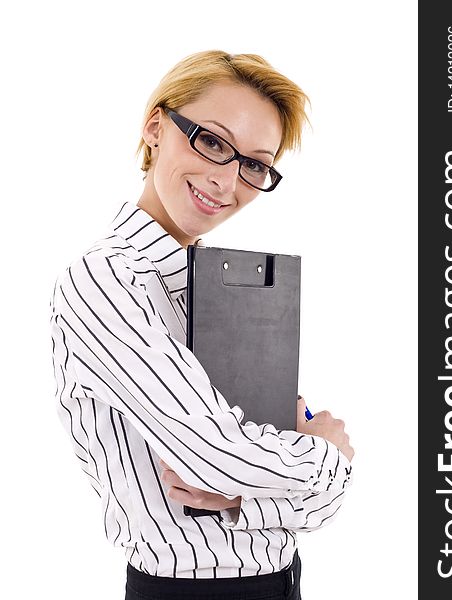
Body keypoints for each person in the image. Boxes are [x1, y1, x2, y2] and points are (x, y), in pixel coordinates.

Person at [49, 50, 354, 600]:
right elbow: (215, 454)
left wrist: (247, 498)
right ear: (155, 128)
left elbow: (313, 507)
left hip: (283, 582)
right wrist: (329, 454)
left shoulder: (221, 286)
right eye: (212, 141)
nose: (226, 181)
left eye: (254, 165)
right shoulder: (105, 280)